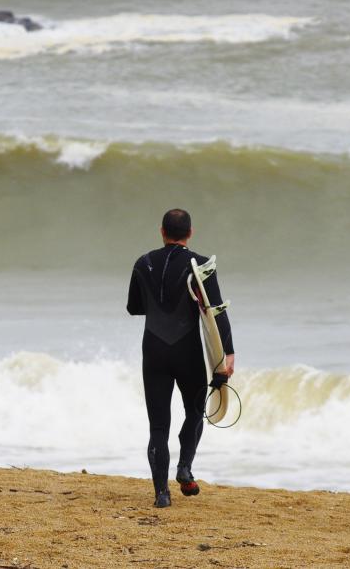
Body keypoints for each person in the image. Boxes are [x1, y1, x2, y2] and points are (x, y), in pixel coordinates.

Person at [127, 209, 235, 508]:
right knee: (194, 410)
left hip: (154, 351)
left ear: (162, 231)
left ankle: (161, 494)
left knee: (158, 426)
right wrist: (227, 353)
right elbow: (216, 311)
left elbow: (134, 308)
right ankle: (184, 468)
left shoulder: (143, 262)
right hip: (187, 351)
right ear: (191, 232)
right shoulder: (200, 265)